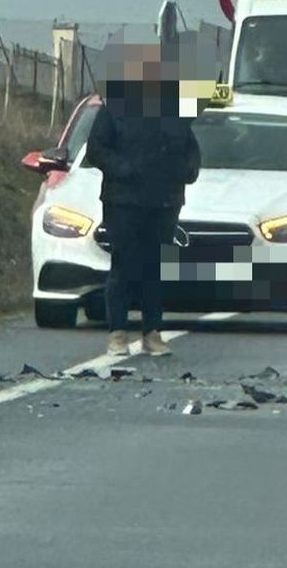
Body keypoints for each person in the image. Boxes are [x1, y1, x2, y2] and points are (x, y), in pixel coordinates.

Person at [82, 42, 202, 358]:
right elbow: (96, 150)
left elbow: (191, 151)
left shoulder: (175, 113)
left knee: (155, 268)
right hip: (123, 202)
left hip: (164, 202)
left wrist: (187, 171)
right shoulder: (115, 110)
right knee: (123, 265)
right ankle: (117, 333)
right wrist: (123, 168)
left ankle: (152, 333)